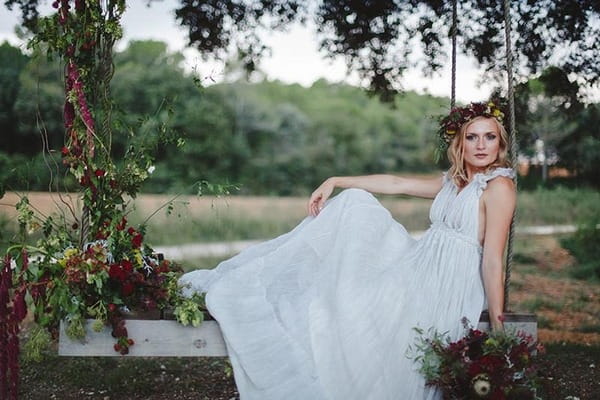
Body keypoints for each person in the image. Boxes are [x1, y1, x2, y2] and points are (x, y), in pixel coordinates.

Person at [180, 101, 516, 400]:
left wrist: (498, 327)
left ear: (500, 143)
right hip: (417, 264)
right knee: (355, 208)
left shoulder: (498, 187)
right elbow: (397, 184)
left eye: (489, 137)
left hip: (447, 285)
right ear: (460, 143)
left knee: (356, 306)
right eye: (472, 137)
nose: (481, 145)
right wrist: (337, 180)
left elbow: (491, 259)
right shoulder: (454, 181)